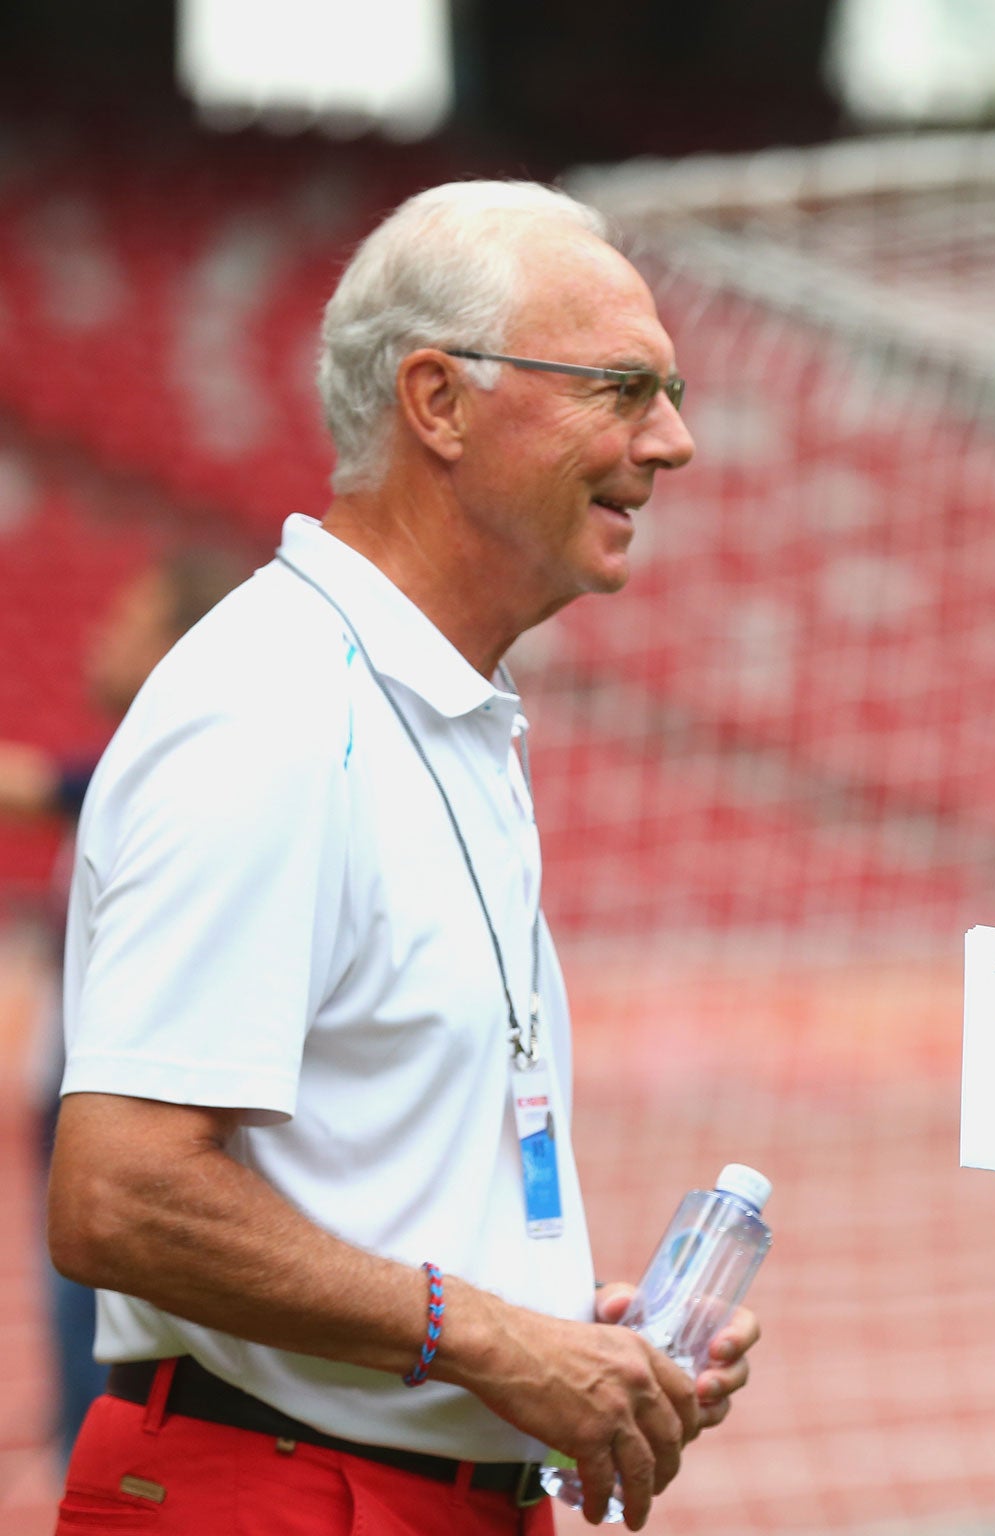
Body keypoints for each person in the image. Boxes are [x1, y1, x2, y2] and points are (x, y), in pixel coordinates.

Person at [47, 181, 758, 1535]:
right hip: (271, 1498)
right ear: (437, 402)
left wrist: (568, 1334)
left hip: (414, 1489)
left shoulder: (432, 710)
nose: (672, 441)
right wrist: (492, 1340)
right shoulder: (276, 707)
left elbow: (369, 1172)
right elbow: (117, 1191)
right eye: (621, 387)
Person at [3, 545, 251, 1462]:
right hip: (70, 1103)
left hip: (114, 1121)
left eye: (129, 622)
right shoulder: (128, 775)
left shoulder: (154, 778)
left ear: (177, 649)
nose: (101, 637)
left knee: (109, 1368)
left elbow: (27, 783)